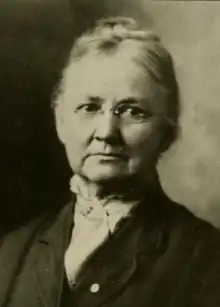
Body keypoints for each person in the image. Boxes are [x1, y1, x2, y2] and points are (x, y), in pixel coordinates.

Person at [1, 16, 220, 307]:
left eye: (133, 111)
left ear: (166, 133)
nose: (106, 133)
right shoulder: (13, 252)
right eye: (89, 107)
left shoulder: (206, 257)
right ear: (61, 122)